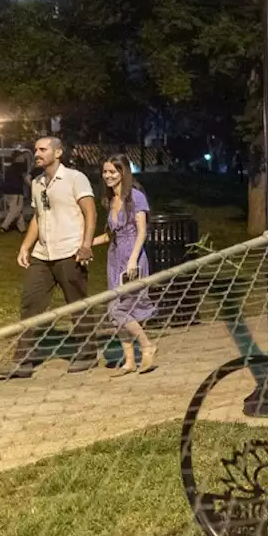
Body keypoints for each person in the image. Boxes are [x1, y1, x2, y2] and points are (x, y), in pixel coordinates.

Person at [0, 137, 99, 379]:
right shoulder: (37, 183)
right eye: (36, 150)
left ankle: (87, 354)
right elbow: (38, 218)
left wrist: (86, 245)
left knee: (77, 304)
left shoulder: (74, 178)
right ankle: (23, 362)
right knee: (30, 304)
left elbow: (90, 212)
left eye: (43, 149)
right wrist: (25, 247)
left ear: (58, 152)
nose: (37, 153)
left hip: (70, 252)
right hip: (43, 254)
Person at [93, 154, 158, 376]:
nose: (108, 176)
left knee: (120, 309)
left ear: (123, 173)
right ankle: (129, 361)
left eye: (113, 171)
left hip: (132, 258)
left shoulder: (135, 197)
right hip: (114, 258)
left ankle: (147, 345)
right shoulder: (111, 199)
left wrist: (133, 258)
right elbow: (111, 233)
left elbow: (142, 231)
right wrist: (86, 244)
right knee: (117, 308)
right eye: (105, 172)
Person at [0, 151, 31, 234]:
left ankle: (22, 229)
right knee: (14, 210)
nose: (23, 158)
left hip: (7, 191)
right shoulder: (20, 166)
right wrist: (33, 186)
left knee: (18, 210)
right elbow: (25, 178)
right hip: (16, 192)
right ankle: (3, 227)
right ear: (17, 158)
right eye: (22, 156)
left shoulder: (9, 167)